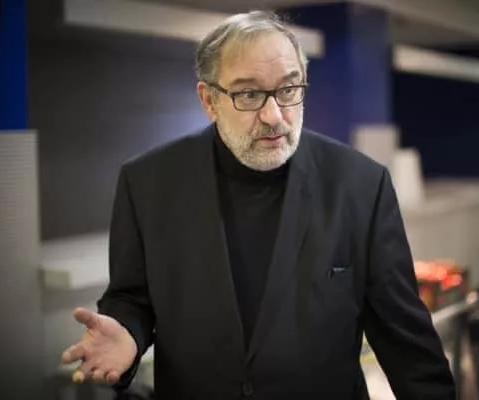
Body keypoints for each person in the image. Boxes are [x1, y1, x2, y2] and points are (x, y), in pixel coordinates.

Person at [61, 10, 456, 399]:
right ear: (209, 100)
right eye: (249, 94)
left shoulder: (361, 186)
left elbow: (407, 344)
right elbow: (132, 297)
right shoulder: (148, 183)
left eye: (288, 89)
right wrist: (127, 333)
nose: (273, 115)